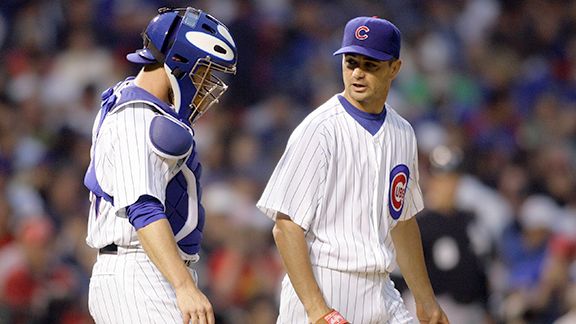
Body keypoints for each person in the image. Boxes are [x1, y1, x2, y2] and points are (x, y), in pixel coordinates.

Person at [257, 16, 449, 323]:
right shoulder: (319, 129)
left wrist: (425, 300)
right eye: (351, 62)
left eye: (370, 64)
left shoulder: (402, 132)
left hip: (381, 287)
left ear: (395, 68)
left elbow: (401, 222)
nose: (357, 73)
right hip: (325, 283)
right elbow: (286, 227)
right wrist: (318, 310)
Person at [83, 7, 237, 324]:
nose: (206, 82)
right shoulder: (137, 116)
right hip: (137, 271)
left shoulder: (133, 99)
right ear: (180, 62)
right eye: (204, 71)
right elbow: (143, 208)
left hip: (149, 269)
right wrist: (183, 286)